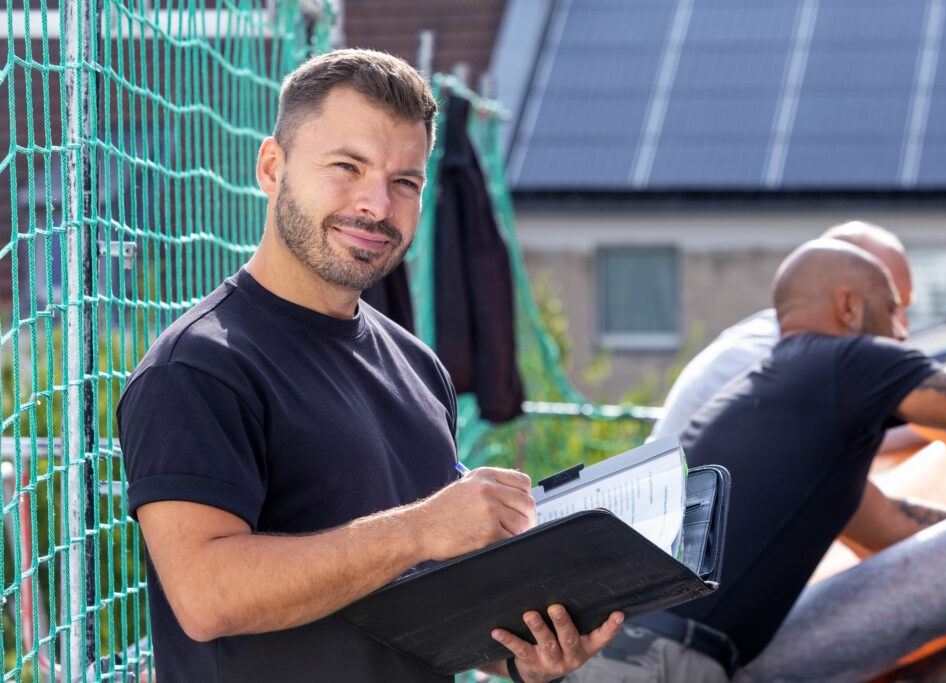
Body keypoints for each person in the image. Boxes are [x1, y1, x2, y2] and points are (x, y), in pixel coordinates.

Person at [116, 49, 622, 683]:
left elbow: (419, 599)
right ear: (272, 167)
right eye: (346, 167)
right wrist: (420, 528)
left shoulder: (417, 366)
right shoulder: (199, 366)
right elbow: (206, 596)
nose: (378, 205)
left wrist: (521, 649)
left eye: (404, 182)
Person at [566, 238, 946, 682]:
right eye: (891, 309)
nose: (904, 331)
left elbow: (891, 527)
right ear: (848, 307)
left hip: (618, 652)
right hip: (659, 662)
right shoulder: (849, 362)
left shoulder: (776, 406)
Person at [649, 220, 913, 442]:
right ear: (847, 301)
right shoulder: (767, 358)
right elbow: (843, 445)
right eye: (891, 304)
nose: (903, 327)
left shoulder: (794, 344)